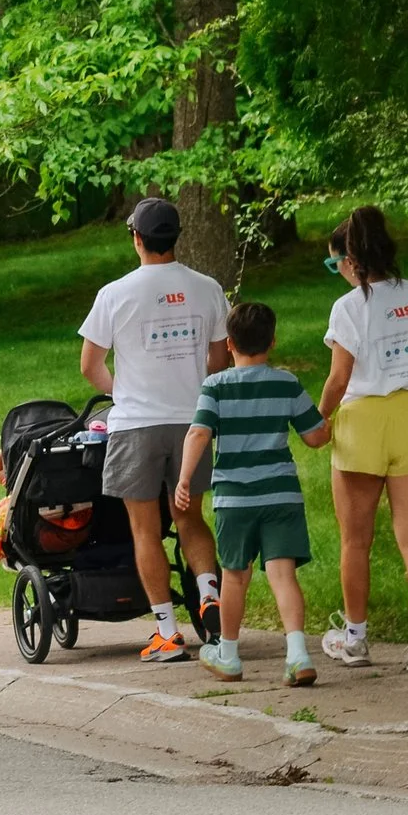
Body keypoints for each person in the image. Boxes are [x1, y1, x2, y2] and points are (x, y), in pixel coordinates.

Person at [78, 196, 229, 663]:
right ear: (175, 237)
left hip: (137, 425)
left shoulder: (116, 293)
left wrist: (122, 392)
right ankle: (210, 597)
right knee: (190, 517)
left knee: (145, 529)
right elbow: (220, 359)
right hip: (193, 424)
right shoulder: (208, 288)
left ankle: (167, 631)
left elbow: (90, 365)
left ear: (137, 238)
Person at [319, 206, 408, 673]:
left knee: (356, 540)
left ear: (351, 261)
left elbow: (339, 378)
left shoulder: (349, 307)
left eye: (334, 263)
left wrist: (319, 420)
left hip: (363, 424)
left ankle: (355, 638)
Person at [178, 301, 331, 686]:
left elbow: (199, 433)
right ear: (273, 341)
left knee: (234, 577)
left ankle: (228, 654)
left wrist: (183, 480)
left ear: (229, 344)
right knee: (283, 576)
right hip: (281, 496)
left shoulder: (215, 386)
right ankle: (297, 655)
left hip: (235, 499)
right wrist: (328, 418)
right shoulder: (287, 383)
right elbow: (315, 437)